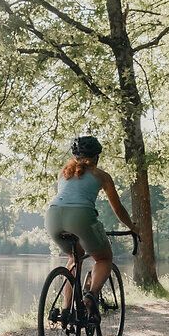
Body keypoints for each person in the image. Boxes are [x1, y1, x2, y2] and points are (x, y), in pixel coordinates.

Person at [45, 135, 137, 322]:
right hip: (81, 217)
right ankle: (91, 296)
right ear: (96, 157)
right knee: (103, 258)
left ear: (74, 156)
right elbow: (118, 208)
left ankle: (66, 310)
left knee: (74, 257)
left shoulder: (63, 173)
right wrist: (133, 227)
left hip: (52, 216)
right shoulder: (101, 175)